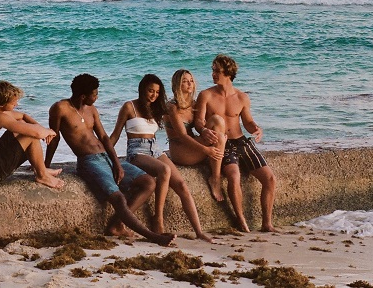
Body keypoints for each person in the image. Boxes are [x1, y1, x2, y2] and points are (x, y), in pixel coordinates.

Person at [44, 73, 175, 246]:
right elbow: (55, 139)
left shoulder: (92, 110)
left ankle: (116, 225)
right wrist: (44, 166)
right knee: (118, 198)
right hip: (89, 161)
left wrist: (117, 164)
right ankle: (153, 236)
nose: (97, 97)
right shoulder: (60, 108)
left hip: (106, 156)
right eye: (95, 94)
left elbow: (104, 138)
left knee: (149, 182)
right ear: (83, 96)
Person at [110, 74, 213, 242]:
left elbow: (179, 112)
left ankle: (199, 231)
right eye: (150, 91)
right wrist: (106, 157)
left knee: (181, 184)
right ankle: (158, 221)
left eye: (157, 92)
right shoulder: (129, 107)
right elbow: (114, 136)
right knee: (164, 170)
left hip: (155, 149)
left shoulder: (156, 108)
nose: (153, 95)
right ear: (142, 89)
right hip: (137, 151)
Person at [195, 55, 277, 232]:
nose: (213, 74)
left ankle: (267, 223)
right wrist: (204, 130)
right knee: (234, 176)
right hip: (222, 143)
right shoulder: (206, 95)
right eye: (213, 70)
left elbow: (247, 122)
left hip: (241, 141)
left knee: (269, 178)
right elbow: (199, 121)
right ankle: (241, 220)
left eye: (217, 71)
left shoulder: (241, 97)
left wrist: (256, 128)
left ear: (228, 73)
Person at [0, 80, 64, 188]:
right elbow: (36, 133)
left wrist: (42, 129)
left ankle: (40, 168)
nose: (16, 104)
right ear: (3, 103)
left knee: (22, 125)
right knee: (30, 135)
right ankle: (42, 175)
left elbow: (22, 116)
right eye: (13, 103)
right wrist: (49, 131)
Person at [166, 69, 227, 202]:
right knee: (220, 138)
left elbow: (202, 124)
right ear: (177, 85)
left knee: (217, 120)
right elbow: (182, 135)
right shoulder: (172, 107)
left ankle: (217, 162)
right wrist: (206, 150)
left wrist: (205, 131)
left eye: (191, 81)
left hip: (193, 145)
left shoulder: (193, 104)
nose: (189, 84)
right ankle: (215, 179)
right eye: (185, 81)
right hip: (180, 151)